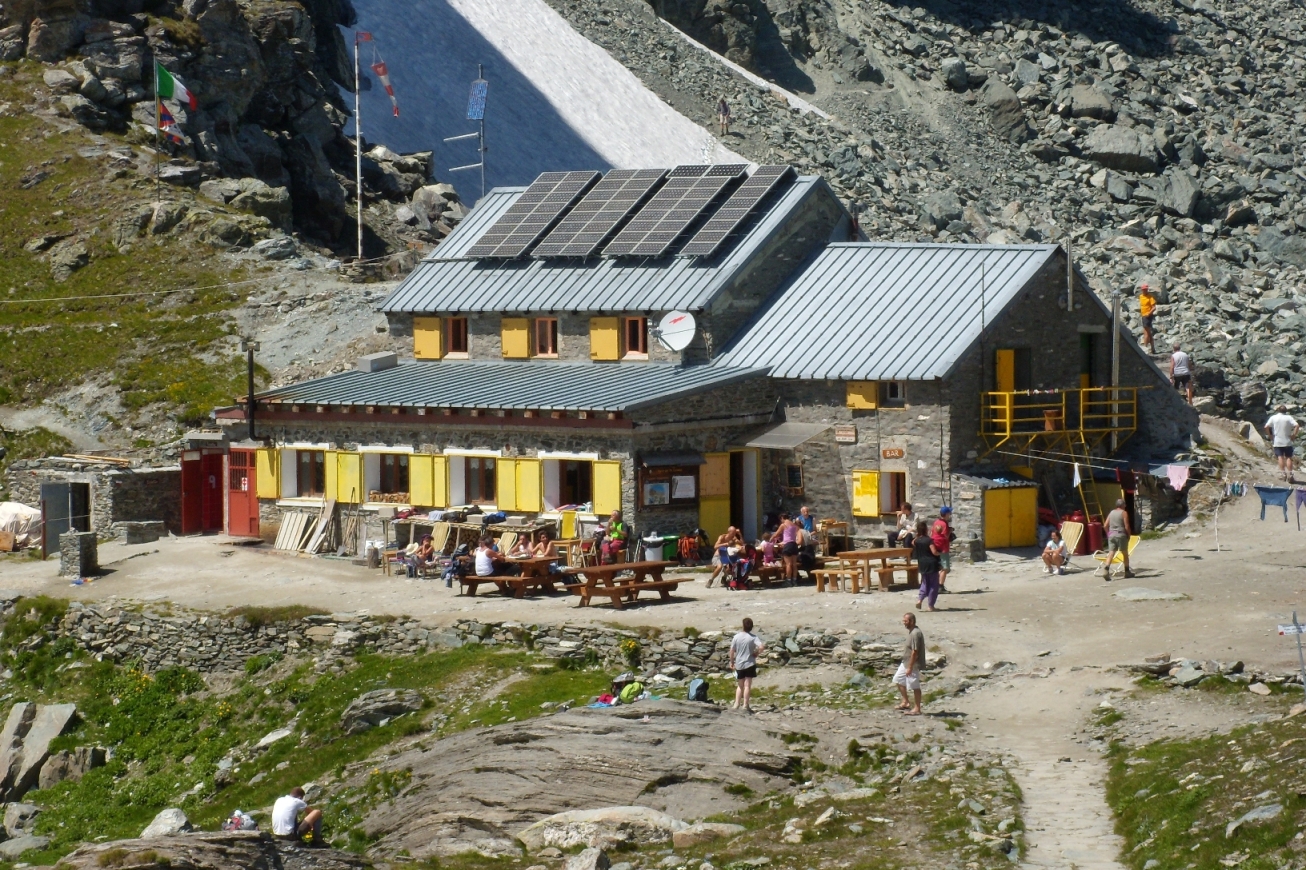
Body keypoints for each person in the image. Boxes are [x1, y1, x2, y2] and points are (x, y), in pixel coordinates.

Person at [728, 617, 763, 711]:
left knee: (740, 685)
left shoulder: (736, 637)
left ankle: (736, 704)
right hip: (750, 663)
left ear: (743, 625)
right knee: (747, 685)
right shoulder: (753, 637)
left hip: (739, 663)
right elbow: (761, 647)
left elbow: (732, 650)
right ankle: (745, 705)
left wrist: (731, 661)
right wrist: (756, 653)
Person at [893, 613, 924, 716]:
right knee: (898, 679)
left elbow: (915, 651)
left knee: (914, 686)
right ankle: (905, 702)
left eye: (905, 621)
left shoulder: (916, 633)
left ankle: (917, 708)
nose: (904, 623)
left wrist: (910, 667)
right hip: (905, 662)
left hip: (912, 664)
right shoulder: (911, 632)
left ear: (911, 621)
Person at [1264, 405, 1301, 482]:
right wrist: (1294, 435)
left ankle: (1283, 474)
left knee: (1280, 457)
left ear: (1278, 410)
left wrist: (1270, 435)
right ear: (1286, 411)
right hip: (1287, 440)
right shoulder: (1289, 418)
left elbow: (1266, 427)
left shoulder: (1273, 417)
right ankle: (1290, 474)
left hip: (1277, 440)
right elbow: (1297, 425)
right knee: (1288, 457)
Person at [1101, 498, 1135, 579]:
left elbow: (1105, 525)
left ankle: (1106, 570)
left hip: (1112, 535)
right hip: (1121, 535)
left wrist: (1108, 534)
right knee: (1125, 554)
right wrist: (1129, 535)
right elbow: (1127, 526)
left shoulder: (1111, 512)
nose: (1126, 505)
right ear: (1122, 505)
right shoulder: (1124, 513)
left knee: (1111, 553)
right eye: (1125, 504)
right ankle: (1127, 572)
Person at [912, 520, 941, 611]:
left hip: (922, 563)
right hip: (931, 563)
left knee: (924, 582)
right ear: (925, 530)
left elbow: (912, 542)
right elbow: (934, 552)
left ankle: (920, 599)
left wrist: (917, 536)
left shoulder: (916, 541)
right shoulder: (929, 540)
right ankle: (930, 605)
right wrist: (939, 553)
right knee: (933, 584)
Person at [772, 513, 800, 586]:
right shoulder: (794, 525)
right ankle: (795, 580)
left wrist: (770, 539)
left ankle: (788, 580)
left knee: (788, 564)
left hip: (787, 545)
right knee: (794, 564)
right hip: (794, 545)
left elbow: (776, 534)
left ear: (782, 518)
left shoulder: (783, 525)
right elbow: (794, 535)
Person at [931, 507, 954, 593]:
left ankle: (936, 584)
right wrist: (950, 531)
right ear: (947, 514)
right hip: (943, 548)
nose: (950, 515)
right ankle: (940, 586)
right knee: (945, 568)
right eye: (949, 513)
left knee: (938, 567)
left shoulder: (936, 522)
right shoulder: (944, 524)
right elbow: (946, 536)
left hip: (935, 546)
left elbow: (932, 533)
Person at [1138, 283, 1157, 353]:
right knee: (1147, 332)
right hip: (1143, 315)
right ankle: (1152, 348)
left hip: (1147, 316)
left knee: (1146, 332)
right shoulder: (1140, 296)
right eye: (1143, 289)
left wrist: (1148, 314)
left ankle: (1145, 348)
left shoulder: (1150, 297)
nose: (1145, 290)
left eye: (1146, 289)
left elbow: (1154, 307)